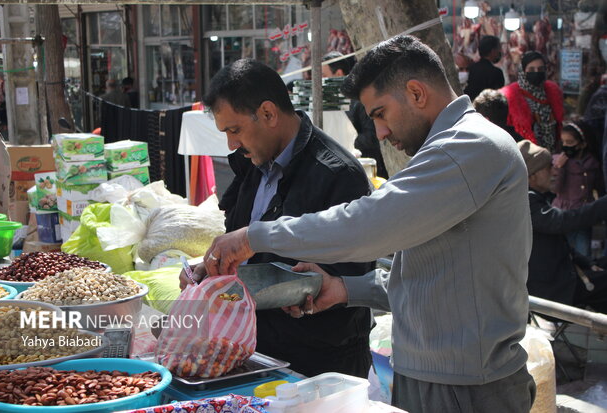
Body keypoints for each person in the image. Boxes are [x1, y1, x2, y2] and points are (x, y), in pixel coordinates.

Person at [203, 35, 536, 413]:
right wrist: (344, 288)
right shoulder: (448, 148)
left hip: (468, 387)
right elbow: (427, 272)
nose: (379, 133)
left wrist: (255, 237)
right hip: (436, 376)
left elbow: (369, 225)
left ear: (416, 92)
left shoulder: (469, 146)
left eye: (379, 114)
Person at [179, 58, 375, 378]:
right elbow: (244, 248)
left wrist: (298, 288)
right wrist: (210, 273)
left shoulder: (338, 175)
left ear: (269, 114)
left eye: (235, 130)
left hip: (319, 367)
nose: (231, 144)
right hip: (257, 350)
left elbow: (350, 281)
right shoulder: (254, 162)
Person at [518, 139, 607, 313]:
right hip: (554, 290)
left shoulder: (533, 199)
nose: (554, 171)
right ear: (531, 177)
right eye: (547, 168)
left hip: (564, 276)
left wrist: (588, 263)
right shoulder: (526, 202)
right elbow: (564, 222)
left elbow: (559, 243)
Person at [322, 51, 390, 178]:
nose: (320, 82)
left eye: (323, 76)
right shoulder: (328, 106)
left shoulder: (359, 100)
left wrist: (345, 143)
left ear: (338, 74)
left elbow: (372, 137)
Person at [552, 122, 604, 256]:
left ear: (582, 144)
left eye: (570, 142)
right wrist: (559, 168)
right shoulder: (559, 161)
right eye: (563, 142)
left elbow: (599, 187)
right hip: (564, 214)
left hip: (585, 214)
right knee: (565, 252)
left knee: (583, 251)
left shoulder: (592, 163)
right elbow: (555, 188)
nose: (565, 146)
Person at [500, 51, 563, 153]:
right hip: (526, 156)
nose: (537, 72)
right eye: (531, 69)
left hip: (552, 155)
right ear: (523, 71)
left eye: (540, 69)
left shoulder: (552, 94)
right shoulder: (510, 97)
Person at [464, 35, 505, 101]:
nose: (499, 52)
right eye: (498, 49)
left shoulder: (471, 68)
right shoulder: (497, 72)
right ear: (493, 51)